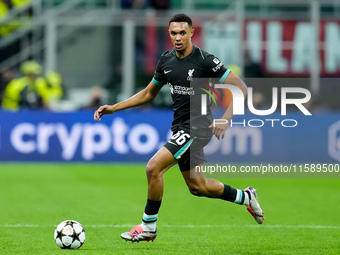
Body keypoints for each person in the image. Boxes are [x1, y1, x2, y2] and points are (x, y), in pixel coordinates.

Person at [94, 13, 264, 243]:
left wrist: (226, 118)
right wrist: (115, 107)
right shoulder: (166, 61)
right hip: (180, 127)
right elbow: (147, 94)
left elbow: (241, 87)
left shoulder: (205, 60)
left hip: (198, 127)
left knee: (153, 168)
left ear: (192, 33)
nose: (178, 37)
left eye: (182, 32)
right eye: (173, 33)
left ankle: (148, 227)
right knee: (198, 186)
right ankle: (246, 197)